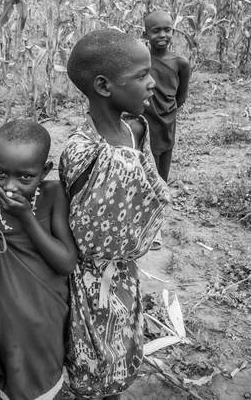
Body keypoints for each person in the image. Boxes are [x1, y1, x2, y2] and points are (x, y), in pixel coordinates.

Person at [58, 29, 171, 399]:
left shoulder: (133, 129)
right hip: (88, 280)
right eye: (141, 76)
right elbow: (84, 231)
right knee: (91, 354)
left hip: (124, 272)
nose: (152, 83)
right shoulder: (82, 152)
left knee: (122, 345)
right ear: (104, 86)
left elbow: (149, 190)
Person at [0, 119, 77, 400]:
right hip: (0, 330)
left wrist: (26, 218)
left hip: (45, 328)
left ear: (44, 171)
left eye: (25, 177)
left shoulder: (54, 195)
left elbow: (66, 262)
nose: (9, 187)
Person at [142, 10, 191, 182]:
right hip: (146, 120)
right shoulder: (141, 59)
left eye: (167, 30)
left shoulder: (180, 63)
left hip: (168, 119)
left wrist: (166, 112)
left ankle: (160, 201)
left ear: (173, 32)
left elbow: (181, 97)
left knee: (163, 167)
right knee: (148, 167)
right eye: (156, 31)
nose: (162, 35)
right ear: (145, 34)